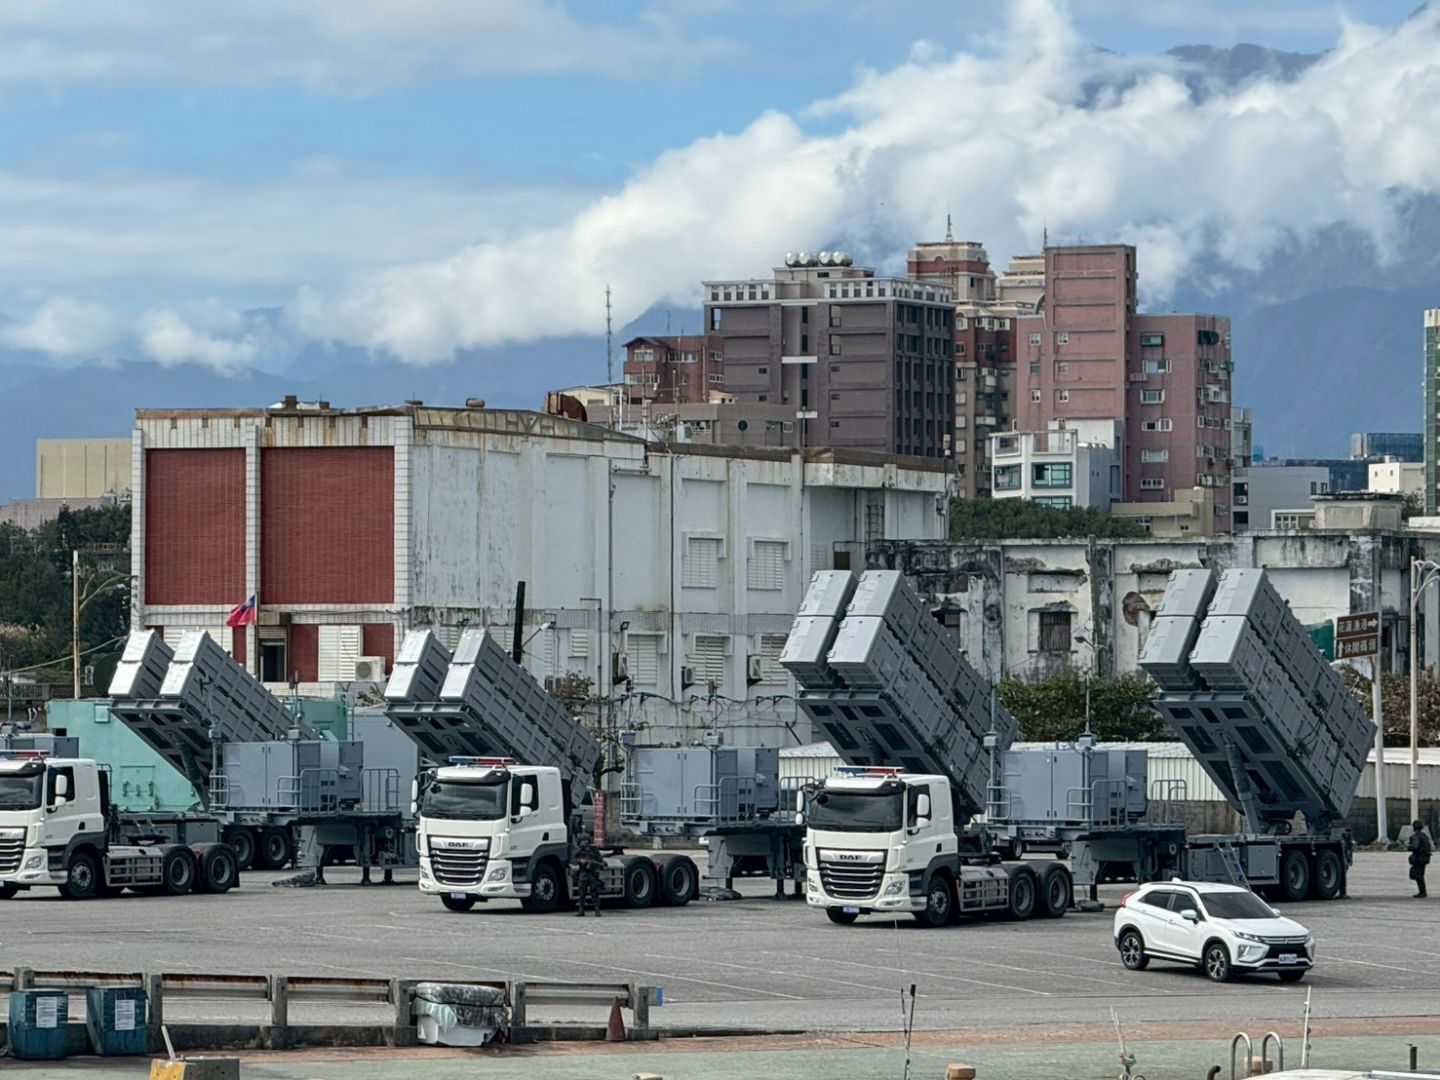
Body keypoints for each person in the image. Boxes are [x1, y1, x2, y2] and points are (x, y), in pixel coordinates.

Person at [571, 834, 605, 917]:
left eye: (585, 840)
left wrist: (600, 865)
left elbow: (601, 860)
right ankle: (581, 910)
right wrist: (579, 860)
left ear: (588, 841)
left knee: (595, 892)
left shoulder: (594, 851)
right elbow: (572, 860)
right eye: (582, 841)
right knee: (582, 893)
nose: (584, 842)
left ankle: (597, 910)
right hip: (583, 873)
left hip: (592, 874)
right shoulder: (579, 851)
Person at [1409, 818, 1433, 898]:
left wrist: (1409, 847)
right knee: (1420, 875)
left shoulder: (1416, 836)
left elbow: (1414, 847)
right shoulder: (1424, 836)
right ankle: (1422, 892)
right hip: (1424, 858)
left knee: (1418, 876)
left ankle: (1422, 892)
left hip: (1418, 858)